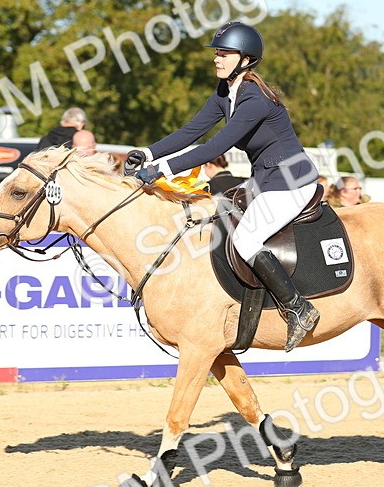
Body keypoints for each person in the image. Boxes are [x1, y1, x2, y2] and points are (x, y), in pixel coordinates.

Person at [128, 21, 321, 351]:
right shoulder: (224, 94)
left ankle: (299, 309)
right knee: (215, 217)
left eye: (224, 54)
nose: (217, 59)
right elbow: (190, 133)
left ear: (245, 59)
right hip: (264, 180)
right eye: (217, 53)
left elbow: (215, 148)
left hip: (291, 181)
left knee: (246, 239)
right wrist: (146, 152)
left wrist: (159, 169)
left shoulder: (255, 98)